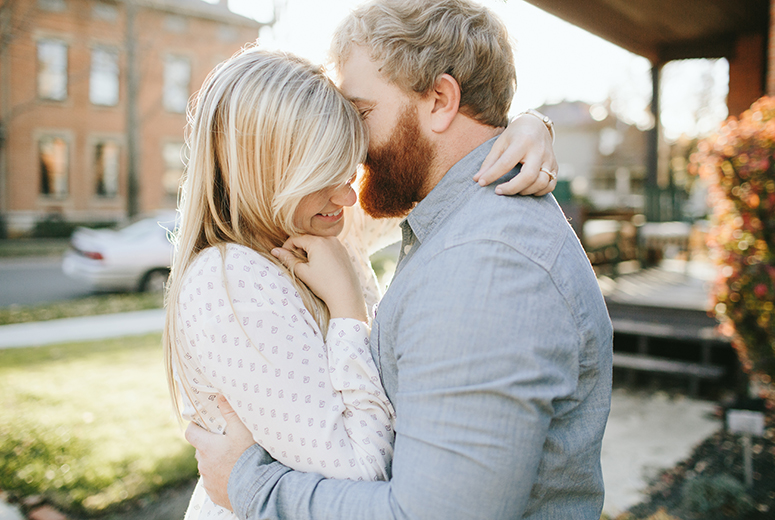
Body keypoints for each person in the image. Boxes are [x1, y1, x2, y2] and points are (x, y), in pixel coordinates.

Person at [186, 1, 613, 519]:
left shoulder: (487, 265)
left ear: (440, 99)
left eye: (361, 113)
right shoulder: (451, 220)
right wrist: (527, 125)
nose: (354, 146)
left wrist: (247, 484)